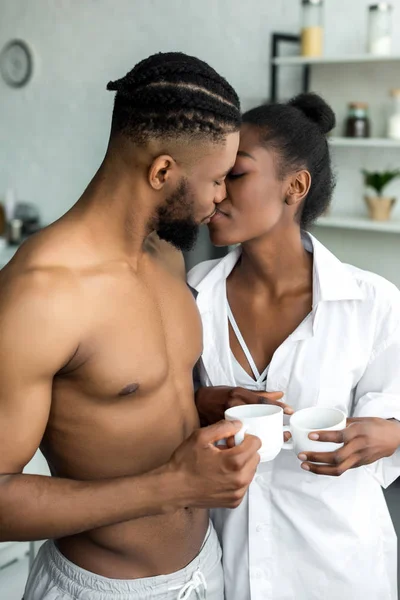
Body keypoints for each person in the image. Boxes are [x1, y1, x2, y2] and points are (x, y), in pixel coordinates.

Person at [0, 52, 262, 600]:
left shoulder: (166, 258)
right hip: (101, 589)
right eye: (216, 179)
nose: (221, 198)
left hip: (202, 571)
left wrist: (201, 406)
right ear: (162, 171)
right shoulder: (42, 292)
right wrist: (173, 486)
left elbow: (124, 398)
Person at [188, 92, 400, 600]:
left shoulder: (370, 303)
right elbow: (167, 412)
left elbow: (394, 417)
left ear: (296, 186)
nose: (216, 193)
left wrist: (388, 437)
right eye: (215, 176)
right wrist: (204, 404)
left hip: (341, 572)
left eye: (235, 175)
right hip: (227, 569)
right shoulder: (194, 295)